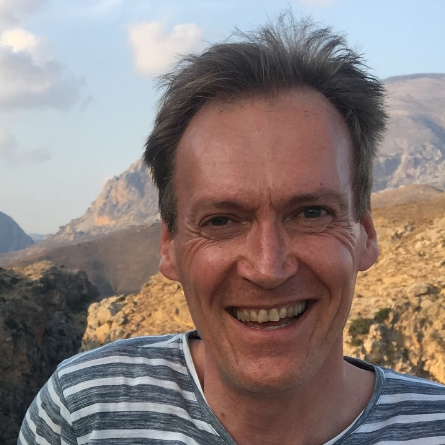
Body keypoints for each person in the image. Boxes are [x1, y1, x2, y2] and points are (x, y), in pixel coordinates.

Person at [18, 13, 445, 445]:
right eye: (221, 221)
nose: (267, 268)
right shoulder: (82, 413)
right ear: (169, 246)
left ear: (366, 234)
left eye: (311, 213)